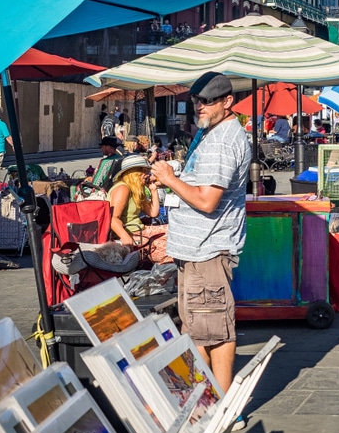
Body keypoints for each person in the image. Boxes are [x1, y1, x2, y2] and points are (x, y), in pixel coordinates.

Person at [150, 72, 251, 396]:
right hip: (198, 249)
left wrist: (169, 179)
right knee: (200, 330)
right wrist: (174, 175)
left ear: (227, 102)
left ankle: (219, 402)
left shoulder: (222, 141)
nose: (200, 107)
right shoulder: (213, 133)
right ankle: (210, 397)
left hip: (207, 250)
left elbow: (208, 201)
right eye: (196, 101)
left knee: (211, 331)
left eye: (207, 101)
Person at [107, 155, 160, 246]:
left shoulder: (136, 189)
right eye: (143, 171)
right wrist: (125, 237)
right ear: (133, 173)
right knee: (172, 238)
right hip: (128, 234)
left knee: (173, 231)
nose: (147, 174)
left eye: (147, 170)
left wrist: (153, 190)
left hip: (138, 230)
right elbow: (112, 218)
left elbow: (153, 213)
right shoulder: (123, 188)